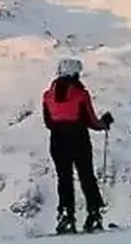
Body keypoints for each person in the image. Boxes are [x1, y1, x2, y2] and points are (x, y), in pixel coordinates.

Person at [42, 58, 113, 234]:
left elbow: (48, 122)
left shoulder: (47, 96)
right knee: (86, 176)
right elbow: (91, 121)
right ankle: (94, 214)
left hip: (57, 139)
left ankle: (66, 215)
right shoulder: (81, 94)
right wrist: (104, 123)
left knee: (64, 178)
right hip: (79, 138)